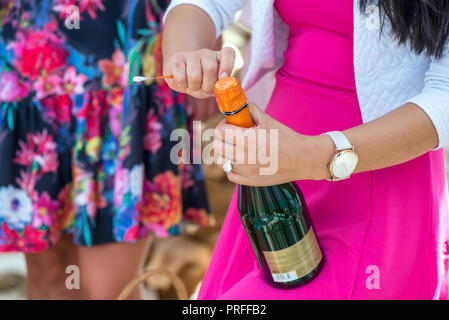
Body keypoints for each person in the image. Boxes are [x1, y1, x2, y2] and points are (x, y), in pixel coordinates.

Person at [162, 0, 449, 299]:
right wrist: (185, 55)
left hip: (380, 165)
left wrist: (311, 157)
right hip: (272, 166)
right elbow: (203, 4)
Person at [0, 0, 210, 299]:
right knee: (49, 276)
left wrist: (204, 37)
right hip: (27, 63)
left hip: (123, 62)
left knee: (110, 291)